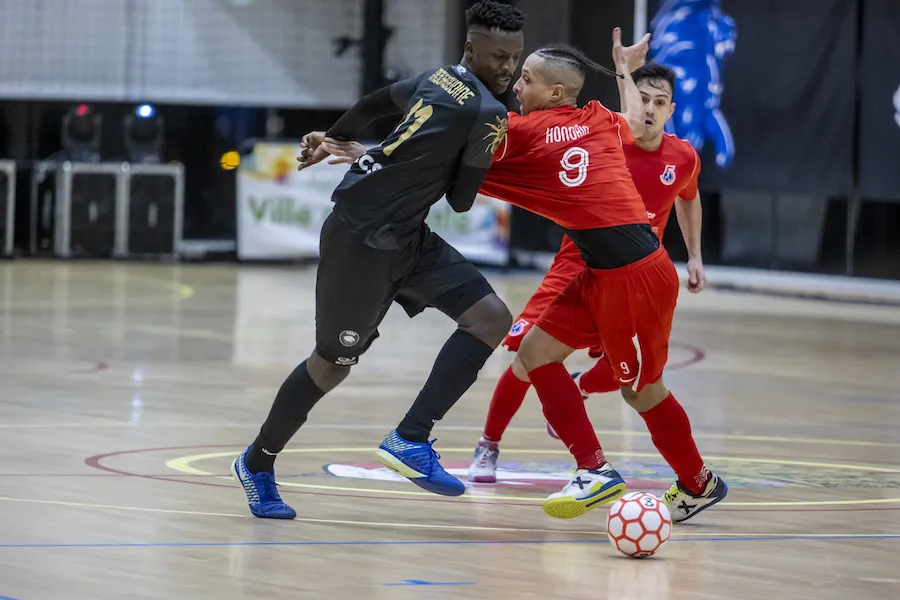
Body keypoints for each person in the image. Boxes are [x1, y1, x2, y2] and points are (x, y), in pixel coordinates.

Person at [231, 0, 526, 519]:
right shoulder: (488, 113)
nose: (508, 68)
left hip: (405, 234)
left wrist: (341, 137)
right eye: (498, 56)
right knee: (332, 365)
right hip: (361, 241)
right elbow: (461, 200)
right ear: (471, 47)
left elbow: (371, 105)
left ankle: (411, 438)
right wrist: (482, 149)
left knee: (490, 318)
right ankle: (257, 462)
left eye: (515, 58)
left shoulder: (438, 77)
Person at [470, 30, 727, 522]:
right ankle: (585, 466)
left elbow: (685, 195)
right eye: (643, 98)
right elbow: (625, 120)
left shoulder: (667, 150)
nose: (648, 110)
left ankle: (697, 483)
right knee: (531, 353)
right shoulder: (595, 128)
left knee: (639, 389)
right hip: (587, 268)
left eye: (659, 102)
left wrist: (694, 255)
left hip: (635, 276)